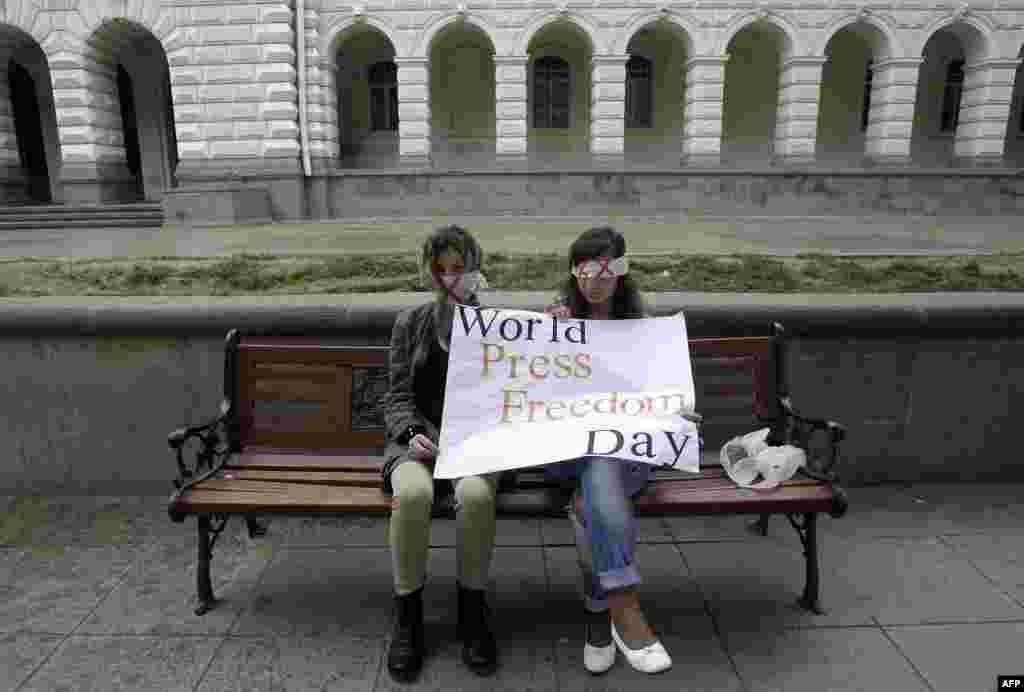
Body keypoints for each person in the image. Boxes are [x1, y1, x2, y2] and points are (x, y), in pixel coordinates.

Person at [544, 225, 673, 675]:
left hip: (626, 454)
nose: (594, 278)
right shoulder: (553, 322)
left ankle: (601, 617)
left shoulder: (641, 330)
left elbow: (660, 394)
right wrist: (549, 344)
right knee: (597, 468)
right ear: (573, 272)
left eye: (605, 268)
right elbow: (531, 397)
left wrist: (677, 410)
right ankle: (625, 606)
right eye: (583, 268)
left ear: (621, 272)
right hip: (566, 451)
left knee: (590, 498)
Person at [381, 225, 500, 682]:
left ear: (474, 271)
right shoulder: (410, 324)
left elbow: (507, 394)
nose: (450, 279)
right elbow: (395, 396)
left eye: (459, 268)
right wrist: (412, 433)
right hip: (417, 440)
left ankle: (472, 610)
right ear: (428, 273)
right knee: (411, 495)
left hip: (475, 443)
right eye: (441, 270)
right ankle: (409, 615)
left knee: (474, 496)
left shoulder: (494, 325)